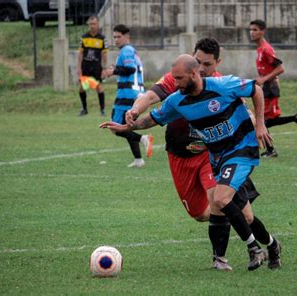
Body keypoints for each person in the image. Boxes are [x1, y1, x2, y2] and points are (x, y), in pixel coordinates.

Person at [101, 54, 281, 271]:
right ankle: (272, 245)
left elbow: (256, 89)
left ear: (194, 74)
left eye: (179, 79)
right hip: (216, 157)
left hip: (241, 149)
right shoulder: (177, 100)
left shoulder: (222, 85)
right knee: (244, 214)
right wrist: (126, 127)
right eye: (174, 79)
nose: (175, 83)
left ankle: (252, 249)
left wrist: (260, 123)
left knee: (220, 199)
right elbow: (154, 118)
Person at [250, 19, 297, 158]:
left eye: (255, 30)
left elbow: (280, 68)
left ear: (262, 31)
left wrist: (264, 80)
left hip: (270, 88)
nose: (251, 32)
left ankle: (270, 150)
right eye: (251, 29)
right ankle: (295, 118)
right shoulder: (260, 49)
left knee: (260, 120)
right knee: (263, 120)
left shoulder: (266, 49)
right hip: (266, 87)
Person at [102, 24, 152, 168]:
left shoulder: (126, 50)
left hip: (127, 94)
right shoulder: (132, 52)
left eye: (119, 37)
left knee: (114, 127)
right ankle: (138, 160)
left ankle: (144, 138)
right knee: (126, 126)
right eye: (114, 37)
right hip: (135, 94)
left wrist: (113, 70)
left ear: (127, 37)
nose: (116, 40)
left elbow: (130, 68)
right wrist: (115, 69)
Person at [77, 15, 108, 116]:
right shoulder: (84, 37)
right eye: (90, 24)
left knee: (99, 88)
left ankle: (102, 110)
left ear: (98, 24)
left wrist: (104, 68)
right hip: (85, 66)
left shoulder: (102, 38)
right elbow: (81, 53)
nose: (92, 26)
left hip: (96, 67)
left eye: (94, 24)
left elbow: (104, 54)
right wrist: (78, 67)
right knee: (82, 88)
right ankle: (84, 109)